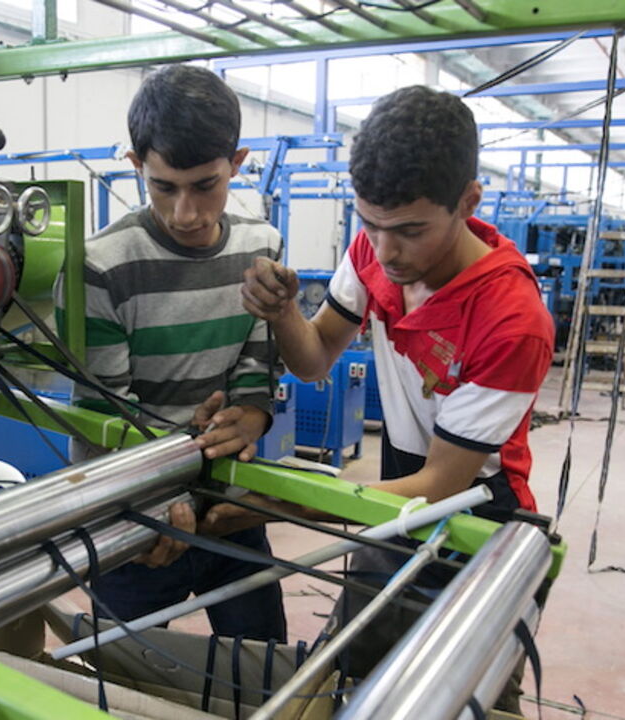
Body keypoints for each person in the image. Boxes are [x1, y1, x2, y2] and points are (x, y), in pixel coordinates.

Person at [204, 86, 555, 696]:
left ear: (468, 201)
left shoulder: (512, 320)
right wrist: (284, 312)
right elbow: (314, 360)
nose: (385, 250)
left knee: (467, 693)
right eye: (370, 223)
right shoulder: (375, 246)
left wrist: (286, 504)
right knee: (357, 674)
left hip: (479, 515)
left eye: (410, 231)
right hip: (395, 491)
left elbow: (441, 484)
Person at [53, 65, 286, 642]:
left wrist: (254, 412)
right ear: (137, 166)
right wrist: (161, 493)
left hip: (231, 511)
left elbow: (257, 359)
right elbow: (109, 417)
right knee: (120, 687)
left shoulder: (262, 246)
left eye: (206, 185)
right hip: (135, 519)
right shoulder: (100, 269)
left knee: (263, 676)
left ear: (238, 162)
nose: (185, 213)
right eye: (163, 187)